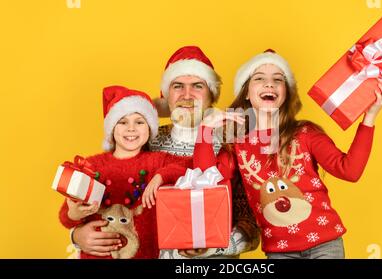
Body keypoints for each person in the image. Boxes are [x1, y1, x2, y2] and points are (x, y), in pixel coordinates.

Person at [193, 49, 382, 259]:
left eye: (277, 79)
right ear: (246, 93)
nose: (269, 84)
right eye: (259, 78)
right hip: (280, 252)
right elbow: (207, 179)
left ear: (286, 92)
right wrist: (204, 132)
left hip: (324, 245)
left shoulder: (306, 133)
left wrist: (370, 117)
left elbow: (350, 171)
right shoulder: (238, 145)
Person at [71, 46, 260, 259]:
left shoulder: (233, 144)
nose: (187, 95)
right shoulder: (144, 140)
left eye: (198, 86)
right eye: (177, 86)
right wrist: (77, 235)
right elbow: (111, 198)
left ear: (211, 94)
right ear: (165, 95)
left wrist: (212, 247)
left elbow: (253, 224)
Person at [59, 85, 190, 259]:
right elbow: (65, 217)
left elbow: (190, 165)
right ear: (112, 129)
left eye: (139, 122)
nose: (131, 128)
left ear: (150, 128)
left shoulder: (157, 161)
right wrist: (73, 214)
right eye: (122, 122)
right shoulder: (92, 166)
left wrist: (161, 176)